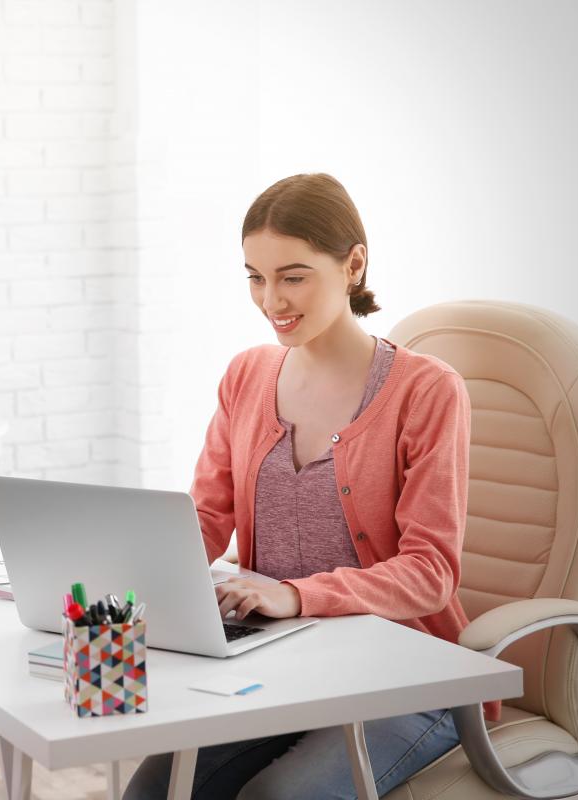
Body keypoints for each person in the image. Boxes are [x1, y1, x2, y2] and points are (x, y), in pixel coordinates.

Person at [123, 173, 500, 799]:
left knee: (279, 798)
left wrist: (297, 596)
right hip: (281, 665)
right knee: (156, 791)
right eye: (254, 276)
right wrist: (131, 574)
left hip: (408, 673)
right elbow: (206, 521)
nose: (272, 300)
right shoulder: (247, 375)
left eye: (293, 276)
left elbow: (431, 571)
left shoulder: (426, 391)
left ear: (353, 265)